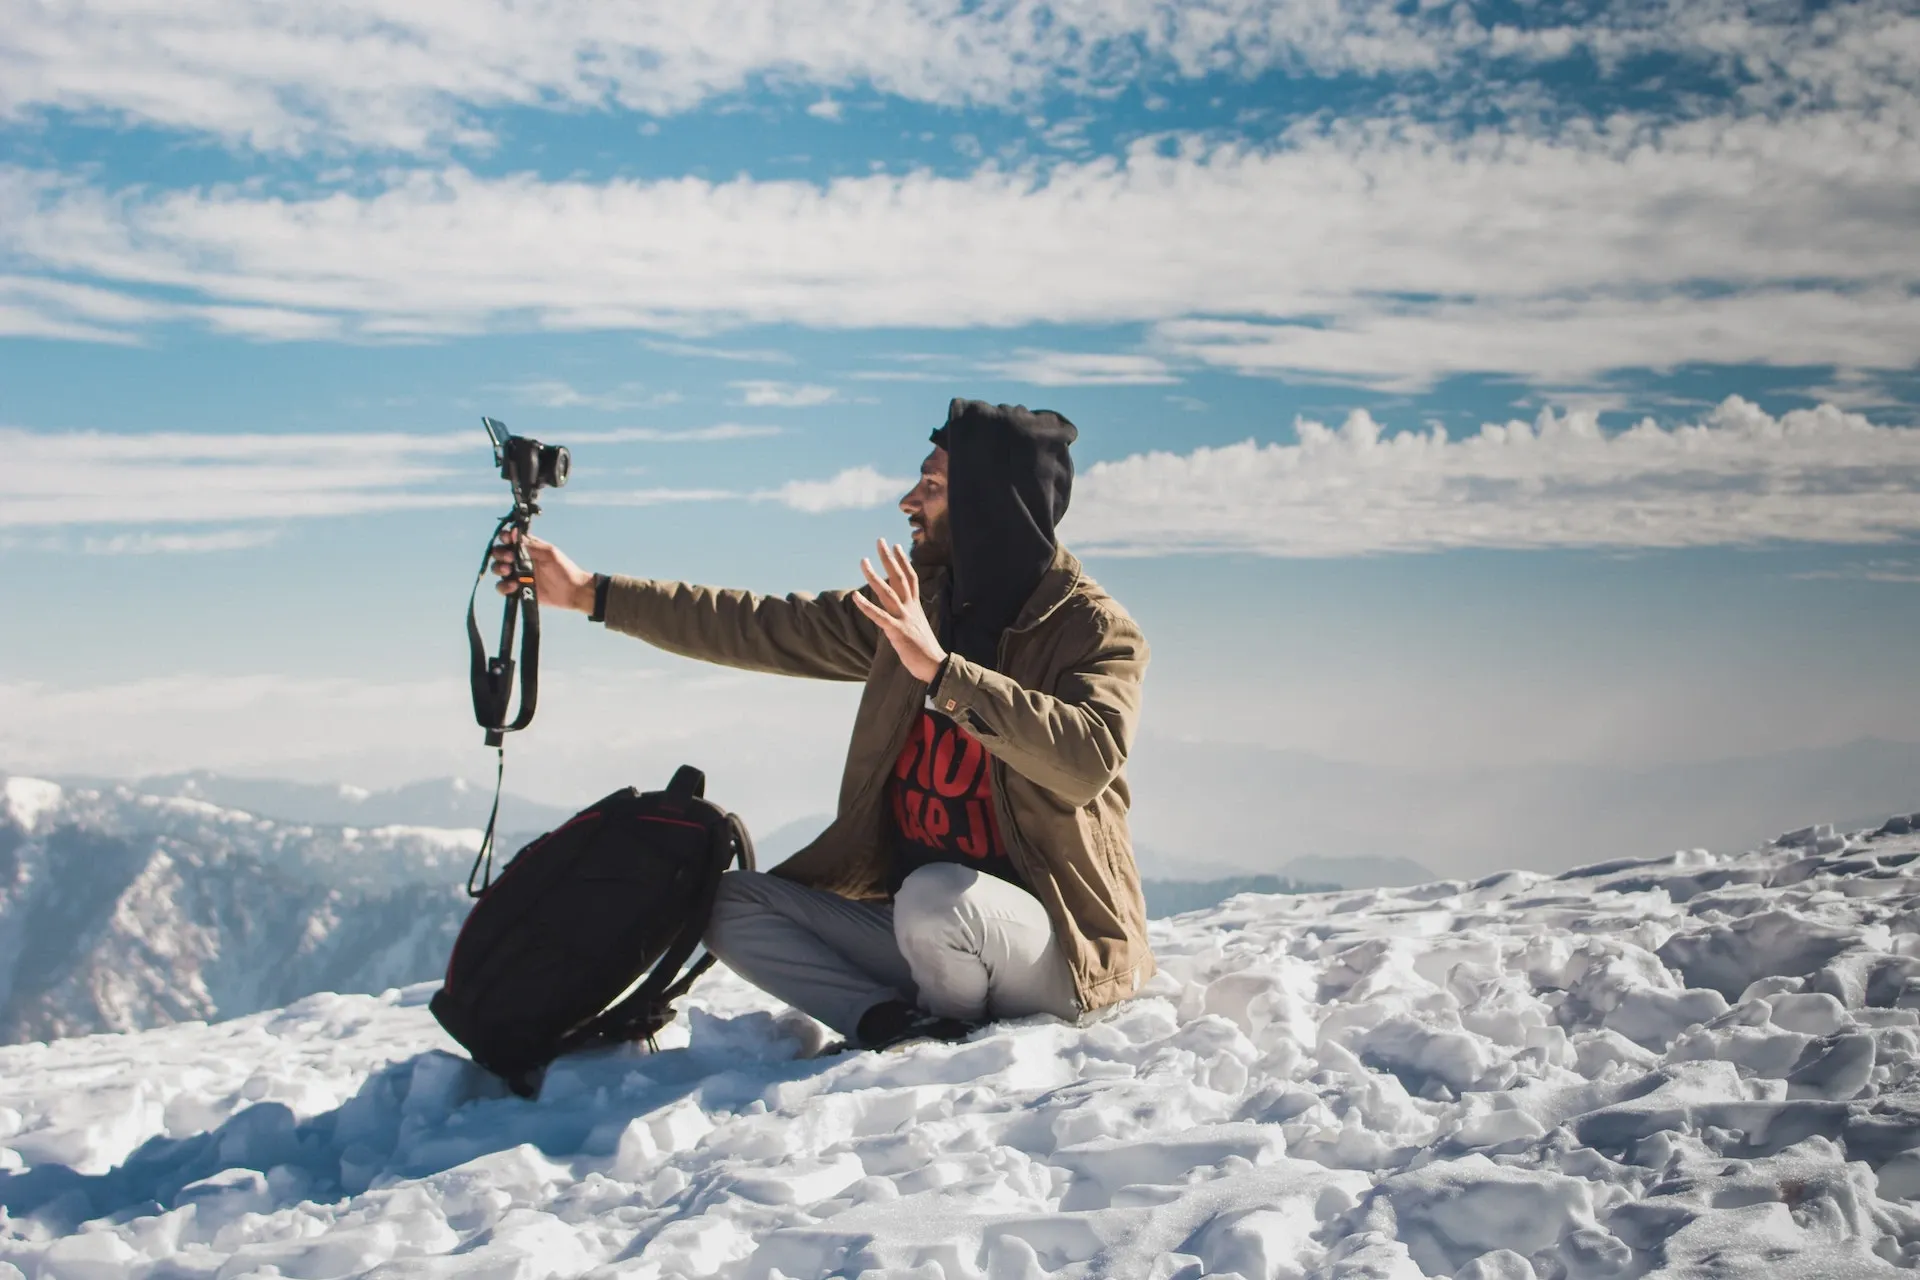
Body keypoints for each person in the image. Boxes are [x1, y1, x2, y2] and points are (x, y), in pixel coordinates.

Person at [493, 398, 1152, 1051]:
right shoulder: (916, 609)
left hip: (1052, 958)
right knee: (722, 902)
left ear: (988, 504)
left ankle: (949, 1045)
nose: (907, 501)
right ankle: (889, 1026)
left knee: (936, 897)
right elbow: (758, 624)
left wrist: (943, 673)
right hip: (929, 940)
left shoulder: (1090, 629)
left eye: (931, 485)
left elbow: (1088, 757)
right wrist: (587, 592)